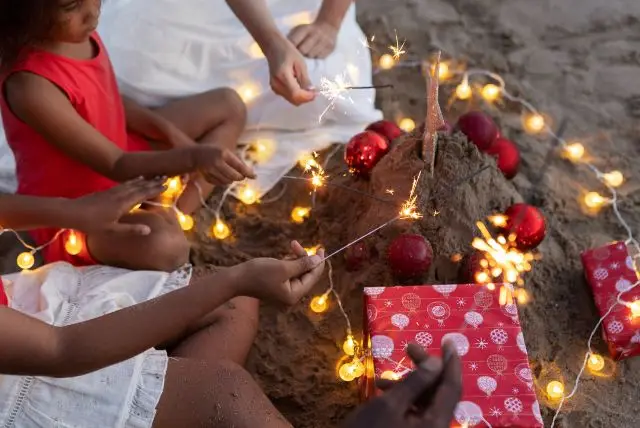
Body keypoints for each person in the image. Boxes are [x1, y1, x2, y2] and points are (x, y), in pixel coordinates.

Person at [0, 178, 329, 427]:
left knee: (237, 304)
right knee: (228, 393)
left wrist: (73, 212)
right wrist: (235, 280)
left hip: (20, 307)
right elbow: (61, 350)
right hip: (27, 366)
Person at [0, 0, 256, 272]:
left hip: (124, 151)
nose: (92, 12)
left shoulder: (78, 34)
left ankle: (170, 209)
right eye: (70, 6)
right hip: (82, 211)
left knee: (229, 105)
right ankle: (165, 213)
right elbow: (116, 163)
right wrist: (192, 157)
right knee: (165, 246)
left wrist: (164, 129)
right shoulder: (31, 86)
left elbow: (105, 97)